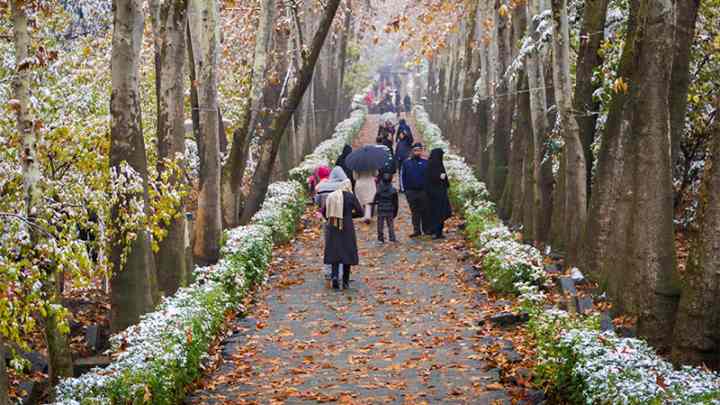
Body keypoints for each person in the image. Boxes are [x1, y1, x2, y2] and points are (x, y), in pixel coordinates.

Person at [323, 178, 363, 290]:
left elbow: (324, 212)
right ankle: (345, 281)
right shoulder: (350, 196)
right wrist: (350, 216)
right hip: (347, 226)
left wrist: (333, 216)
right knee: (347, 252)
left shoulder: (331, 196)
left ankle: (335, 276)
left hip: (333, 225)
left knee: (335, 251)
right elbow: (360, 212)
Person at [402, 143, 429, 237]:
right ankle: (416, 230)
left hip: (423, 191)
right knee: (414, 211)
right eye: (415, 150)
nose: (417, 152)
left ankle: (426, 229)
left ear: (421, 151)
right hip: (411, 191)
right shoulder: (406, 163)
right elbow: (403, 177)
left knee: (425, 211)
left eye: (419, 150)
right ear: (412, 151)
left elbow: (429, 177)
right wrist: (405, 190)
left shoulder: (426, 162)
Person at [424, 148, 452, 239]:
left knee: (442, 212)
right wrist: (439, 177)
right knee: (435, 213)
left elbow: (444, 178)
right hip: (433, 195)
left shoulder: (439, 164)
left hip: (441, 194)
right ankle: (434, 231)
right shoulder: (431, 165)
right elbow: (429, 178)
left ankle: (439, 231)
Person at [373, 172, 399, 243]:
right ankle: (392, 237)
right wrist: (395, 211)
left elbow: (375, 199)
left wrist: (374, 205)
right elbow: (396, 202)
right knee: (390, 224)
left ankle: (380, 238)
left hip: (381, 208)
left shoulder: (379, 189)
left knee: (380, 224)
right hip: (390, 209)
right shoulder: (393, 190)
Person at [395, 126, 413, 193]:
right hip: (400, 160)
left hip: (406, 160)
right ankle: (401, 187)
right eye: (400, 134)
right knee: (401, 174)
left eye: (401, 134)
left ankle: (407, 186)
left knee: (407, 173)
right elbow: (396, 152)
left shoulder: (407, 141)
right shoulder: (399, 143)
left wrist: (407, 133)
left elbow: (411, 139)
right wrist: (396, 161)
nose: (400, 135)